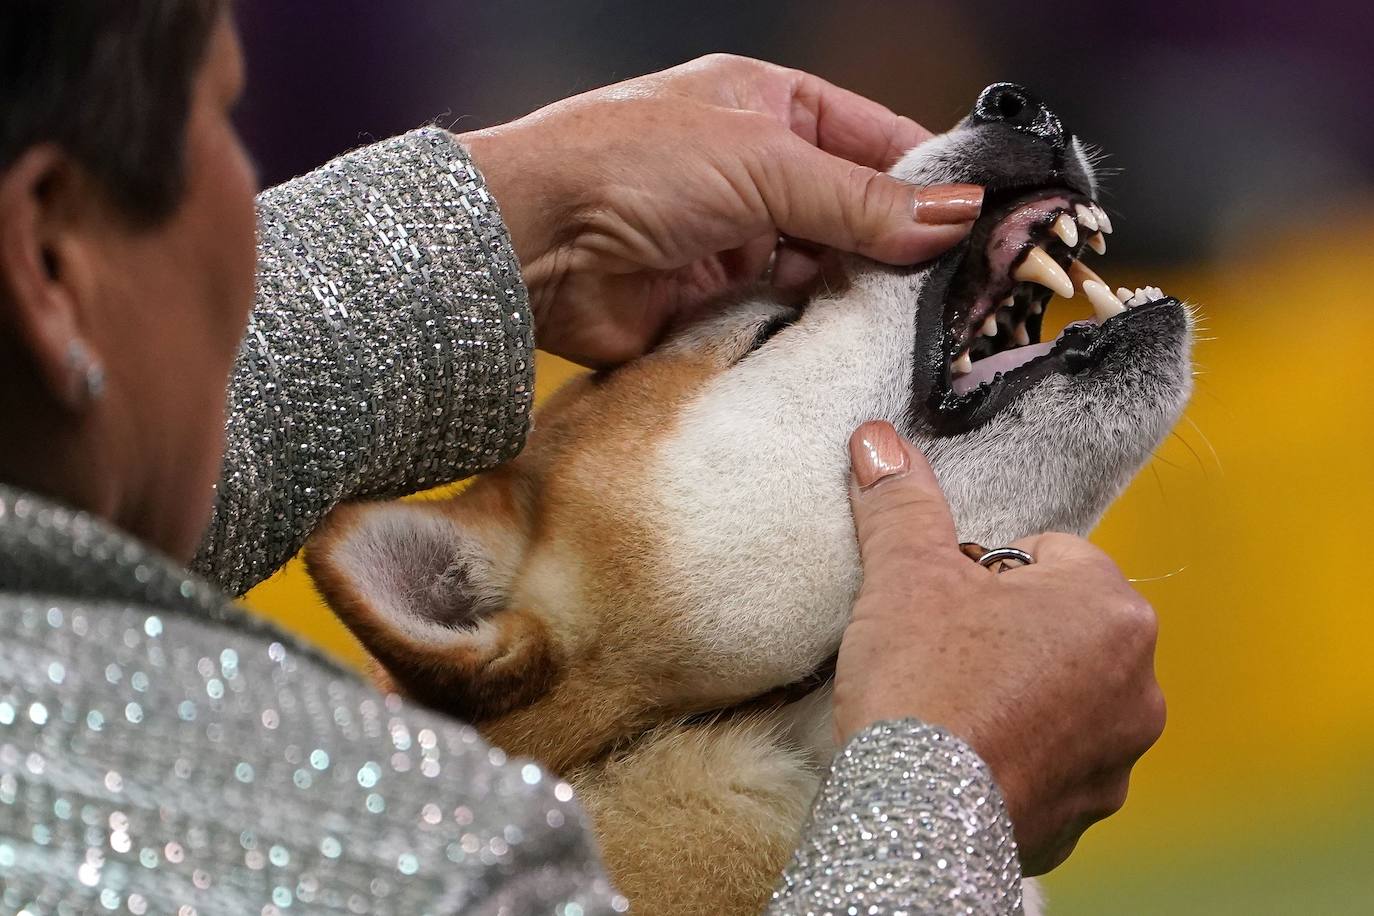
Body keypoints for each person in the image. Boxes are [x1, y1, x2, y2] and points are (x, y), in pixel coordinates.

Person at [0, 2, 1164, 913]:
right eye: (220, 124)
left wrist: (503, 223)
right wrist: (935, 804)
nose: (255, 219)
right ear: (49, 254)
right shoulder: (349, 869)